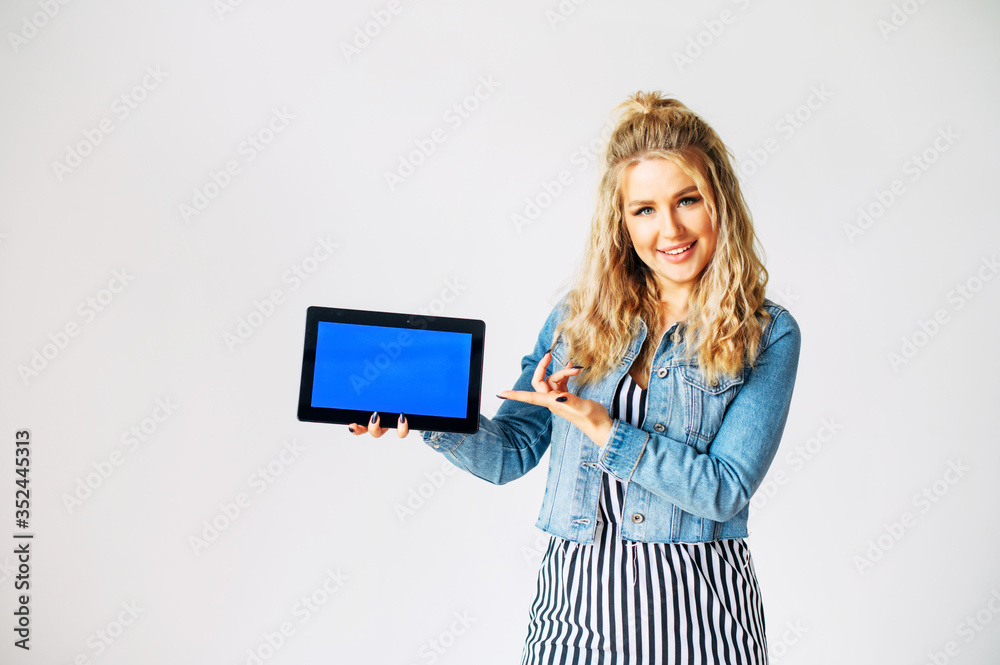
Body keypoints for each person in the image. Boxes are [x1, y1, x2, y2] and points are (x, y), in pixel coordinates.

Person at [349, 90, 801, 665]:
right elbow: (508, 454)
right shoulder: (576, 320)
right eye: (644, 209)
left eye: (687, 200)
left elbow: (723, 489)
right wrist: (431, 417)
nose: (670, 229)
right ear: (622, 221)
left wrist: (602, 426)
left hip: (702, 624)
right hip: (574, 623)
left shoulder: (767, 334)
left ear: (720, 202)